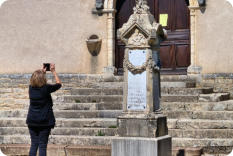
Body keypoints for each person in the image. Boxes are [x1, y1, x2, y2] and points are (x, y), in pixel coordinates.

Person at [26, 63, 62, 156]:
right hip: (44, 121)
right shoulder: (46, 88)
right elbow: (59, 84)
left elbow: (38, 80)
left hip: (32, 120)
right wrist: (53, 71)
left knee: (34, 144)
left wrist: (42, 72)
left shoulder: (31, 88)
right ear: (43, 78)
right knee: (42, 145)